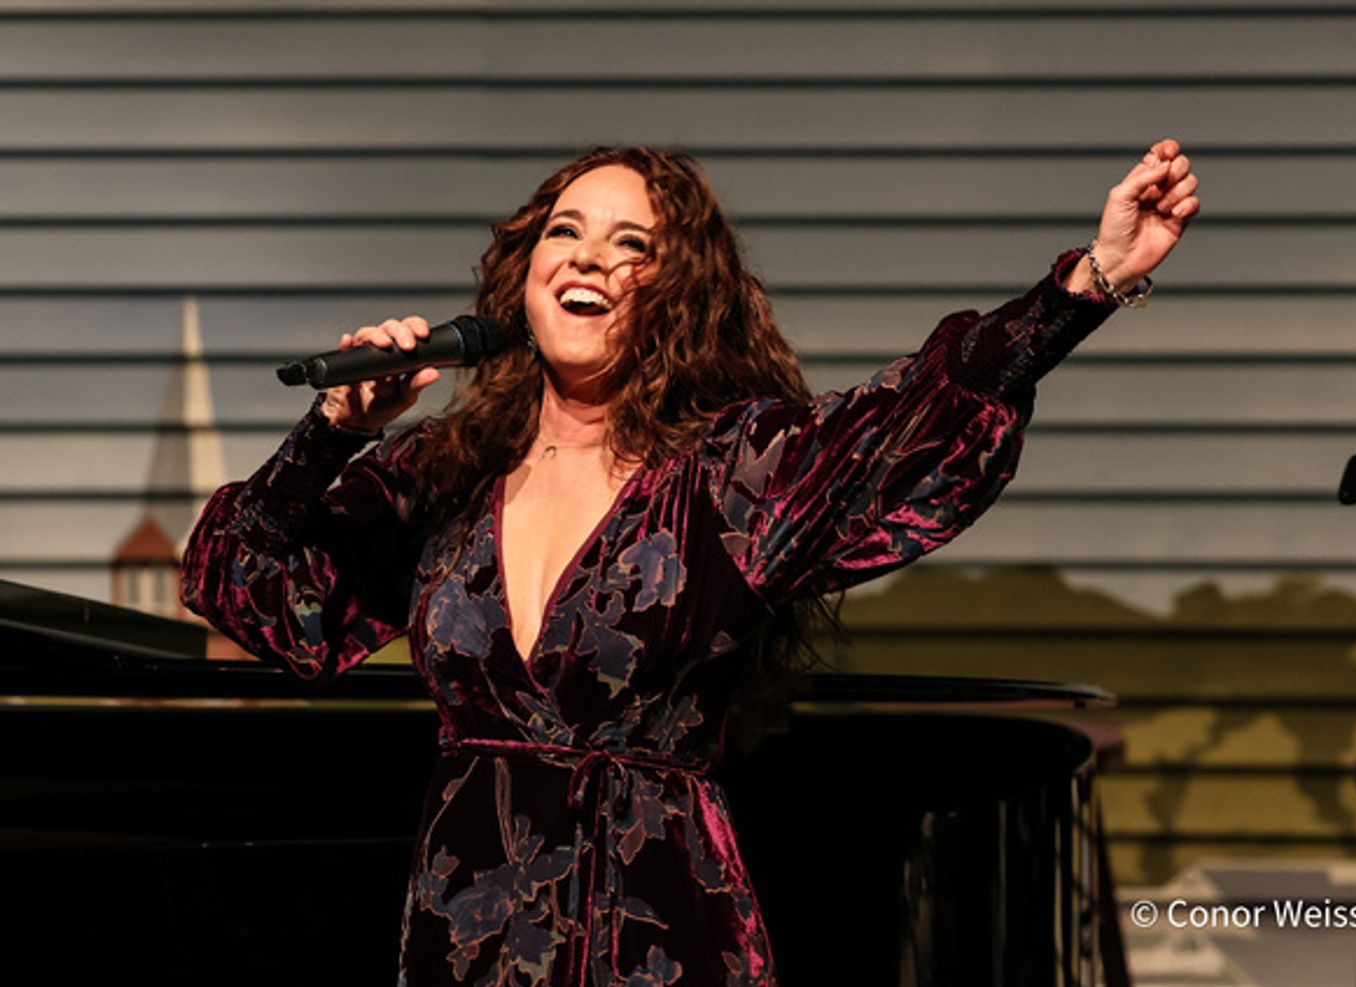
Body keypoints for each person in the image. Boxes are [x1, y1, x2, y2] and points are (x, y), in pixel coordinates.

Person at [181, 141, 1199, 985]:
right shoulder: (442, 472)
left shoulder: (731, 476)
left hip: (657, 939)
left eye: (631, 247)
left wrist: (1089, 281)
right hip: (467, 936)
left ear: (674, 292)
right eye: (563, 233)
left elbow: (921, 414)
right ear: (522, 274)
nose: (585, 259)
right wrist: (328, 434)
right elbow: (246, 588)